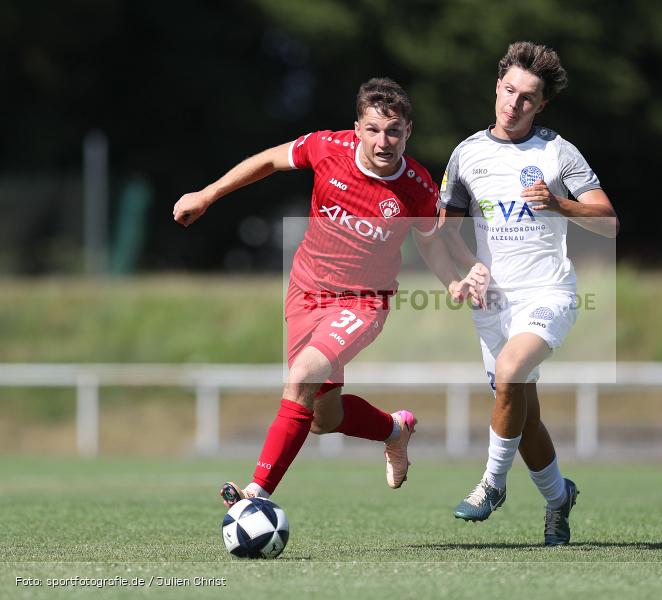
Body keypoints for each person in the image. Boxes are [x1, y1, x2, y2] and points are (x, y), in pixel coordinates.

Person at [173, 78, 483, 508]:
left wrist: (452, 280)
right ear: (357, 128)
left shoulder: (417, 186)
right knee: (323, 418)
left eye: (393, 131)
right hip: (305, 291)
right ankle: (395, 430)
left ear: (407, 132)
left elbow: (430, 240)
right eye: (373, 129)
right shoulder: (325, 148)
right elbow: (267, 160)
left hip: (362, 302)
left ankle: (254, 495)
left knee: (301, 377)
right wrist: (207, 195)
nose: (383, 141)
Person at [438, 42, 619, 545]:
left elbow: (609, 222)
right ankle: (560, 499)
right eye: (510, 91)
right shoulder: (467, 152)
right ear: (497, 87)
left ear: (541, 106)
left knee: (512, 375)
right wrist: (464, 272)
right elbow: (444, 233)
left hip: (548, 294)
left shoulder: (558, 151)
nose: (514, 104)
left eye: (528, 98)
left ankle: (490, 486)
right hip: (493, 304)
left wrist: (560, 204)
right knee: (523, 418)